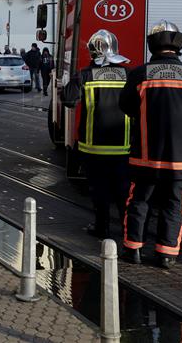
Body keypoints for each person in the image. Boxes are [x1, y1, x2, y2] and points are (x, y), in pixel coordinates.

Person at [119, 20, 182, 269]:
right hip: (181, 157)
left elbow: (126, 106)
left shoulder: (139, 74)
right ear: (177, 45)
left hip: (144, 155)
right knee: (174, 204)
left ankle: (133, 250)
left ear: (152, 45)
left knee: (139, 201)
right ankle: (166, 254)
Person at [62, 30, 131, 240]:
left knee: (99, 191)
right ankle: (129, 230)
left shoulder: (84, 74)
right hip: (124, 146)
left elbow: (68, 100)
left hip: (93, 147)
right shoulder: (129, 74)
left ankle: (102, 228)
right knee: (123, 192)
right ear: (116, 49)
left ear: (92, 51)